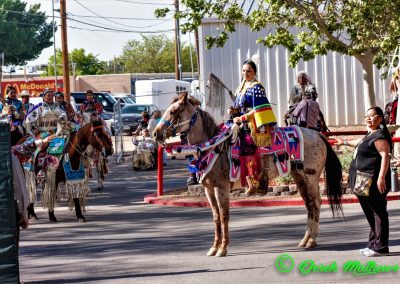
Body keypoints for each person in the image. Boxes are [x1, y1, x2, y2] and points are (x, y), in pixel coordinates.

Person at [336, 106, 392, 257]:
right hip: (362, 179)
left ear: (380, 118)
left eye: (372, 115)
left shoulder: (379, 135)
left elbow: (385, 156)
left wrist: (381, 177)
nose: (368, 118)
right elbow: (360, 144)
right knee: (370, 213)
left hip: (373, 180)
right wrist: (344, 143)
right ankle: (373, 243)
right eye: (366, 115)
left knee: (378, 212)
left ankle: (381, 247)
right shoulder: (371, 134)